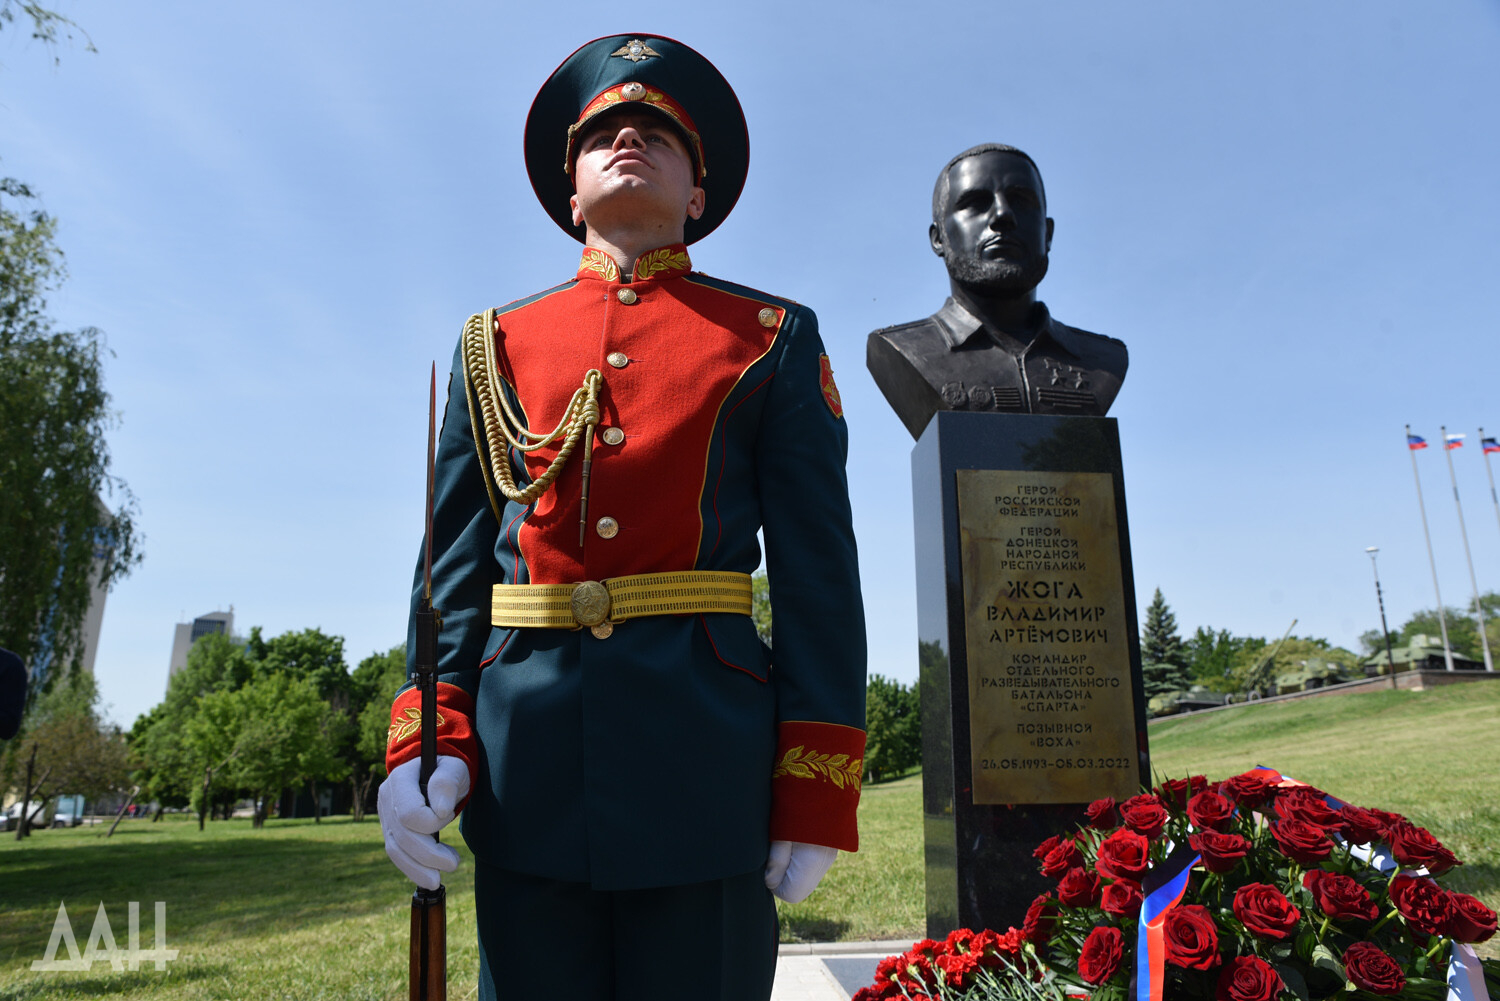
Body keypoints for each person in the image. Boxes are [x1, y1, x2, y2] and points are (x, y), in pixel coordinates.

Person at [376, 35, 867, 1001]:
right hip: (527, 766)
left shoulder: (769, 337)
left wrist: (814, 787)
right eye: (602, 132)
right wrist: (424, 742)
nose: (627, 137)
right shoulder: (496, 344)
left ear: (698, 194)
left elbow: (819, 577)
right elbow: (452, 569)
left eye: (658, 132)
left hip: (706, 764)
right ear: (571, 195)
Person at [866, 143, 1128, 439]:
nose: (1003, 215)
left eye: (1021, 200)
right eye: (976, 203)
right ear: (938, 238)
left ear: (1048, 233)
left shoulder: (1104, 360)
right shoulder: (905, 349)